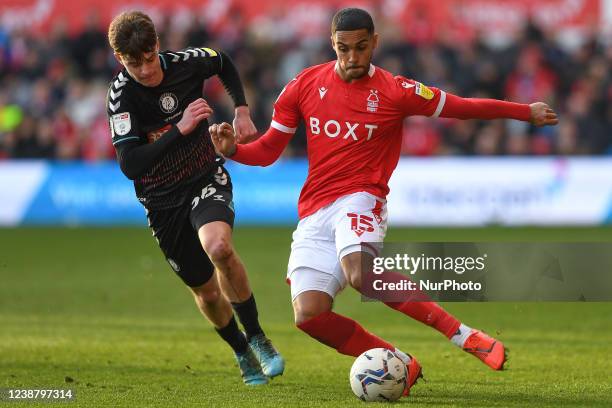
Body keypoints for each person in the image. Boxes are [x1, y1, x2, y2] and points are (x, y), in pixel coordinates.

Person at [210, 7, 559, 394]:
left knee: (362, 275)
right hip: (314, 212)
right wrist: (234, 151)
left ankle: (463, 335)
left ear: (374, 42)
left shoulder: (396, 90)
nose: (352, 57)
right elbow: (270, 149)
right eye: (343, 49)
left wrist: (524, 112)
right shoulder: (304, 85)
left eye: (361, 48)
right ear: (332, 44)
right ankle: (400, 362)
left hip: (362, 198)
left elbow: (462, 107)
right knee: (309, 316)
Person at [105, 10, 284, 385]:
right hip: (161, 202)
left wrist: (241, 109)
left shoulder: (186, 63)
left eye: (150, 58)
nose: (146, 70)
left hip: (204, 176)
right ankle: (241, 350)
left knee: (219, 247)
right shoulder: (121, 96)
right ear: (121, 59)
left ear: (158, 45)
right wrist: (179, 128)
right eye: (134, 63)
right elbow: (130, 164)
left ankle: (258, 336)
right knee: (205, 291)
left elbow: (223, 61)